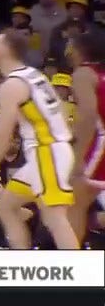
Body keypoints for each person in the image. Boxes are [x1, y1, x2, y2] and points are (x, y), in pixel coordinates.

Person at [0, 30, 79, 249]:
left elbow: (3, 133)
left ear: (7, 49)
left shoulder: (11, 86)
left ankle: (82, 279)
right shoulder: (34, 75)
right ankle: (22, 265)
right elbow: (57, 109)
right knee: (6, 207)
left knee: (54, 217)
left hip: (46, 151)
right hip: (46, 151)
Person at [68, 30, 105, 241]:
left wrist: (78, 158)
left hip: (99, 142)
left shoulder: (83, 73)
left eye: (72, 46)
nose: (69, 51)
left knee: (75, 202)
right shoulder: (99, 74)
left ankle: (71, 263)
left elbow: (88, 117)